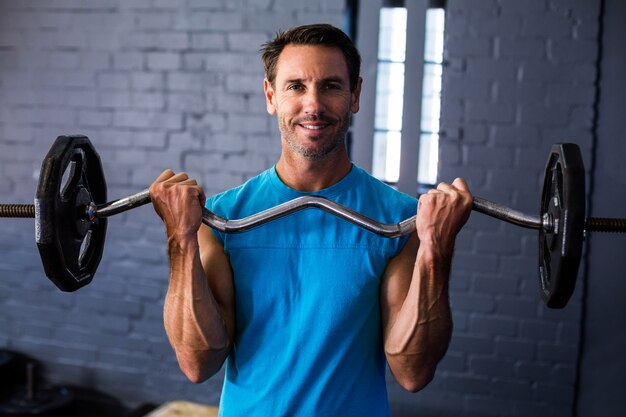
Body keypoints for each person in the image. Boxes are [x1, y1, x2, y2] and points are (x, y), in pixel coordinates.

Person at [150, 23, 472, 417]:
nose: (314, 105)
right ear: (271, 96)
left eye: (332, 86)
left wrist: (437, 250)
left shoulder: (400, 221)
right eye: (296, 86)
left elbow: (413, 371)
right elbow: (197, 363)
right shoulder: (223, 220)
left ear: (355, 95)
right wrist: (179, 239)